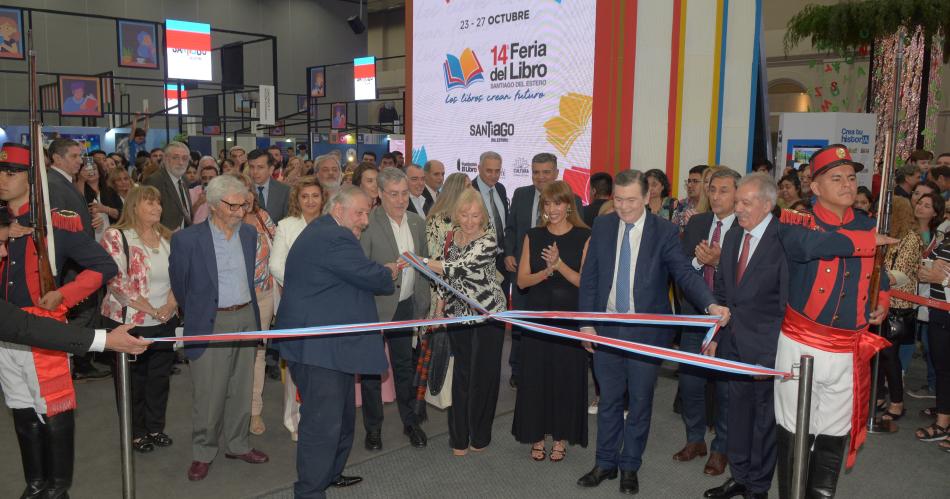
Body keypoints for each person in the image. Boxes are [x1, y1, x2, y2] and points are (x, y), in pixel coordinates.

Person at [575, 169, 730, 495]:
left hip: (646, 332)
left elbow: (684, 273)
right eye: (619, 199)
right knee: (608, 400)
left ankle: (630, 465)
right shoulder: (603, 225)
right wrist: (586, 322)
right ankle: (605, 463)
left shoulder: (664, 231)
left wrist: (710, 305)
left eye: (631, 200)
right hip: (606, 327)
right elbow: (590, 276)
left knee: (640, 401)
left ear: (647, 197)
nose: (624, 207)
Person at [0, 142, 118, 499]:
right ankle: (36, 482)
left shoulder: (55, 223)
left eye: (12, 172)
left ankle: (57, 487)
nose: (3, 179)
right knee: (20, 407)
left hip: (43, 331)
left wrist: (64, 295)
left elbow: (104, 265)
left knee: (53, 409)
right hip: (5, 330)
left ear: (31, 178)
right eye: (0, 171)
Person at [773, 145, 890, 498]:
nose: (847, 184)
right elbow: (810, 248)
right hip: (801, 343)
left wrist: (882, 300)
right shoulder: (796, 220)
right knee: (794, 428)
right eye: (836, 178)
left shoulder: (867, 223)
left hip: (848, 348)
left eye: (851, 178)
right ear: (815, 187)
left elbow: (880, 274)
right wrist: (867, 241)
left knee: (834, 431)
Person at [276, 185, 396, 498]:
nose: (365, 220)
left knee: (342, 418)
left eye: (367, 213)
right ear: (339, 210)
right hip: (318, 350)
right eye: (360, 213)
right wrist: (389, 271)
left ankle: (330, 473)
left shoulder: (325, 230)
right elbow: (370, 276)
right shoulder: (335, 236)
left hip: (331, 345)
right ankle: (310, 491)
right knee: (322, 424)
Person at [169, 174, 268, 482]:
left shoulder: (248, 233)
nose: (240, 212)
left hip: (246, 317)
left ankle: (238, 444)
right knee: (209, 392)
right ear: (213, 205)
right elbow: (181, 286)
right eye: (233, 206)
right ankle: (203, 451)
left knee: (242, 387)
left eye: (244, 205)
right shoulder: (187, 240)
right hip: (210, 322)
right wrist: (200, 313)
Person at [703, 173, 786, 499]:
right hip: (733, 343)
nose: (737, 208)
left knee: (763, 421)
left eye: (745, 203)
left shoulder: (783, 240)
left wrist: (772, 353)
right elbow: (724, 292)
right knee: (736, 415)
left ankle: (758, 486)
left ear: (767, 205)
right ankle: (739, 476)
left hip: (766, 349)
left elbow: (786, 304)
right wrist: (715, 336)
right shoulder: (735, 235)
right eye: (737, 201)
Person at [512, 180, 591, 462]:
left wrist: (559, 266)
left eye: (558, 202)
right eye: (547, 203)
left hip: (569, 320)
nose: (553, 208)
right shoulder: (533, 235)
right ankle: (536, 435)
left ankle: (560, 437)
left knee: (565, 378)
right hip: (538, 319)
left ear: (569, 205)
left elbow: (584, 283)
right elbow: (522, 281)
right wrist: (546, 272)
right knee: (536, 378)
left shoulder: (585, 236)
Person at [425, 188, 508, 456]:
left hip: (488, 316)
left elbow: (458, 268)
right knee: (461, 374)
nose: (470, 221)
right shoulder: (451, 237)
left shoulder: (489, 240)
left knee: (483, 376)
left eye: (475, 215)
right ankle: (458, 437)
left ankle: (480, 435)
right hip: (457, 314)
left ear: (482, 216)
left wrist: (421, 261)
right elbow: (443, 278)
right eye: (464, 214)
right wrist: (439, 310)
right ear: (456, 215)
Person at [99, 186, 179, 454]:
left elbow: (179, 275)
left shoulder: (167, 237)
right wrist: (153, 310)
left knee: (159, 379)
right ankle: (135, 432)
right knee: (132, 382)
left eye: (158, 203)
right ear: (134, 206)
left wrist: (170, 305)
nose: (157, 208)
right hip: (129, 323)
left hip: (165, 320)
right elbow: (118, 283)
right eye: (150, 203)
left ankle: (155, 427)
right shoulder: (116, 236)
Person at [359, 168, 431, 450]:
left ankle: (410, 422)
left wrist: (423, 306)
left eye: (404, 194)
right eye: (394, 194)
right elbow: (360, 268)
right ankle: (373, 429)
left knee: (404, 367)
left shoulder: (417, 223)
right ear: (379, 194)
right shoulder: (367, 223)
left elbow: (425, 267)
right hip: (374, 308)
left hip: (406, 306)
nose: (401, 200)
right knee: (371, 371)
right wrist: (382, 272)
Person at [675, 168, 740, 477]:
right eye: (712, 189)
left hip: (730, 319)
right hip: (695, 314)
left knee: (726, 389)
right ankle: (695, 440)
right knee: (690, 384)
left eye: (723, 190)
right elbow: (682, 268)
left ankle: (720, 448)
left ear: (737, 194)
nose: (715, 196)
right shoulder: (698, 223)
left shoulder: (746, 226)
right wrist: (699, 261)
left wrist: (719, 261)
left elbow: (749, 275)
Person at [269, 176, 325, 441]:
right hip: (296, 303)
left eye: (315, 195)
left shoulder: (333, 223)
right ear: (297, 200)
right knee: (296, 365)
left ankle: (319, 416)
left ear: (323, 198)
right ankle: (294, 421)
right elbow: (276, 265)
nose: (310, 201)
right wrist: (304, 285)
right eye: (305, 196)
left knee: (323, 365)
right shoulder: (286, 226)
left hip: (327, 305)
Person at [231, 172, 278, 437]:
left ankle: (254, 410)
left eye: (248, 189)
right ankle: (232, 408)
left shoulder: (263, 217)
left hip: (264, 296)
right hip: (233, 301)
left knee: (257, 353)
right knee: (233, 355)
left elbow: (279, 249)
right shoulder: (222, 222)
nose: (245, 196)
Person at [872, 197, 921, 425]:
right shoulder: (882, 234)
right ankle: (880, 395)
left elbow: (900, 273)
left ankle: (897, 402)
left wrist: (875, 277)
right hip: (878, 300)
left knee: (890, 356)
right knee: (877, 355)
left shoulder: (910, 238)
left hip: (898, 305)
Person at [916, 218, 950, 453]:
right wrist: (925, 270)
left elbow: (941, 276)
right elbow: (928, 267)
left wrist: (943, 279)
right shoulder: (944, 239)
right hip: (939, 312)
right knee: (943, 369)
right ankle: (943, 422)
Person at [143, 141, 193, 230]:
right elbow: (147, 216)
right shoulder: (155, 180)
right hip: (163, 236)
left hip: (185, 234)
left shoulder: (184, 179)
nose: (181, 162)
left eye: (185, 158)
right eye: (175, 158)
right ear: (165, 159)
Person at [247, 149, 291, 222]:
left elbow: (288, 220)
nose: (255, 172)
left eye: (260, 167)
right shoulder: (243, 189)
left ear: (271, 169)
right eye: (252, 167)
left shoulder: (284, 191)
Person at [671, 164, 708, 229]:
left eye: (695, 181)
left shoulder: (713, 206)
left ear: (707, 183)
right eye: (689, 181)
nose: (689, 185)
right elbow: (673, 230)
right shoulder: (681, 205)